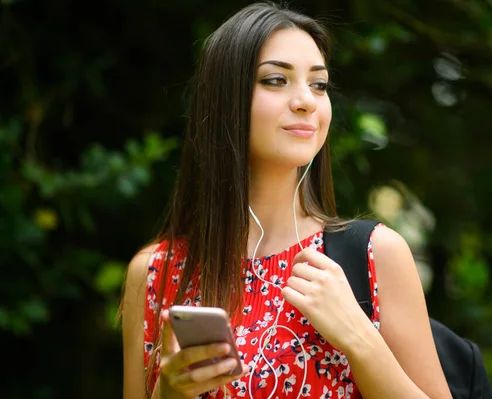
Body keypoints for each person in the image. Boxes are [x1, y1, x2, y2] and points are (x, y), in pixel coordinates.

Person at [121, 2, 452, 398]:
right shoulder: (156, 273)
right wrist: (168, 394)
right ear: (224, 100)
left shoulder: (373, 255)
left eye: (319, 84)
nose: (306, 101)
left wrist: (359, 339)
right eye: (276, 80)